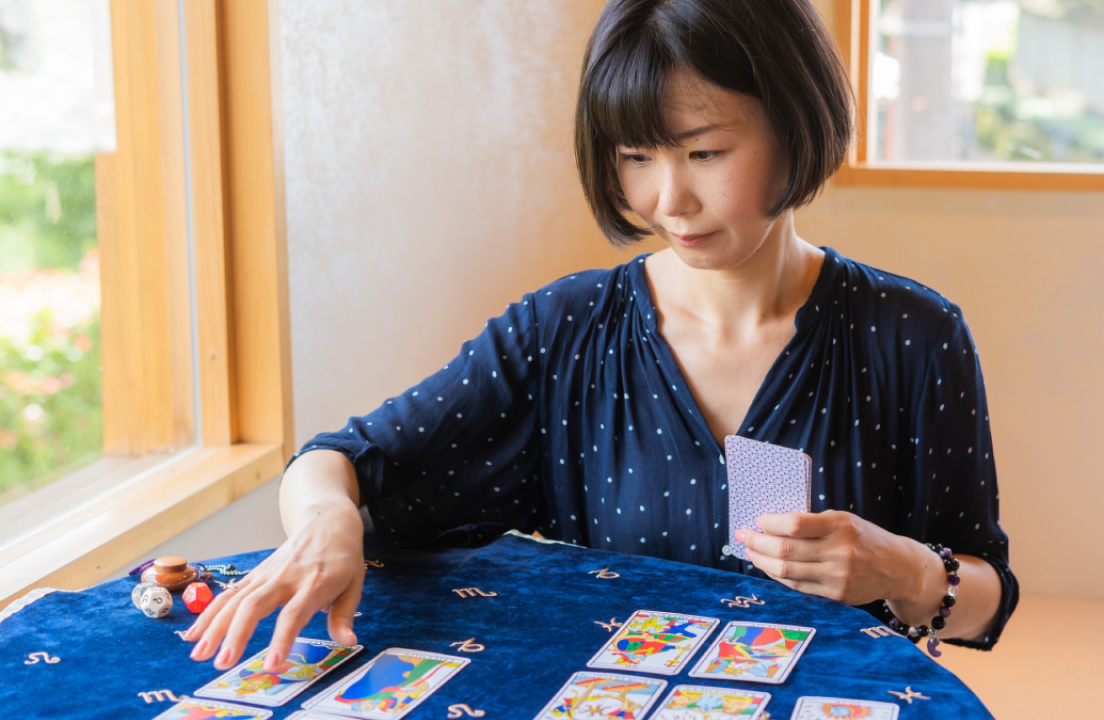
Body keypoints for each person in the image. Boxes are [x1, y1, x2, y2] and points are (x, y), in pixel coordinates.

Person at [184, 0, 1018, 673]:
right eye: (636, 157)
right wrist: (328, 522)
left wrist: (905, 572)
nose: (669, 201)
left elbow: (987, 599)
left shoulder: (913, 335)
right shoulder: (565, 334)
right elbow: (339, 461)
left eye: (704, 151)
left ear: (796, 127)